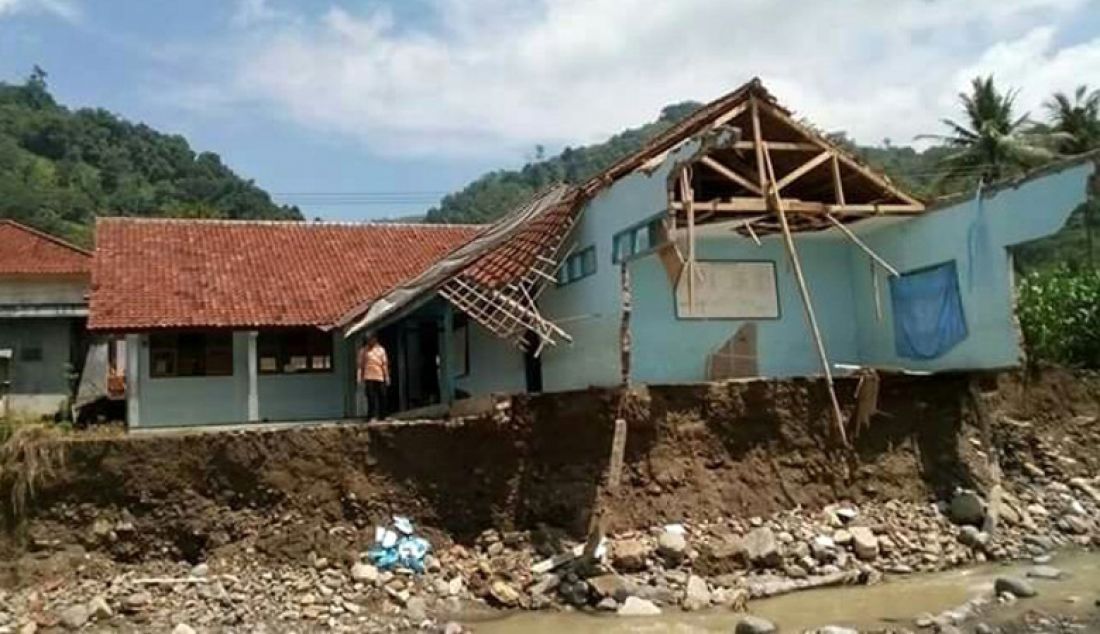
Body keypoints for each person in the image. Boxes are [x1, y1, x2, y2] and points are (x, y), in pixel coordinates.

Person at [358, 336, 390, 420]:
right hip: (368, 375)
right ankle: (371, 416)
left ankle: (383, 415)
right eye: (369, 340)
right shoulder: (363, 351)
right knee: (370, 396)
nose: (371, 341)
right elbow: (360, 365)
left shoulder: (381, 350)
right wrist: (359, 377)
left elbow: (384, 364)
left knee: (382, 395)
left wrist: (386, 376)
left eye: (372, 339)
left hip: (379, 375)